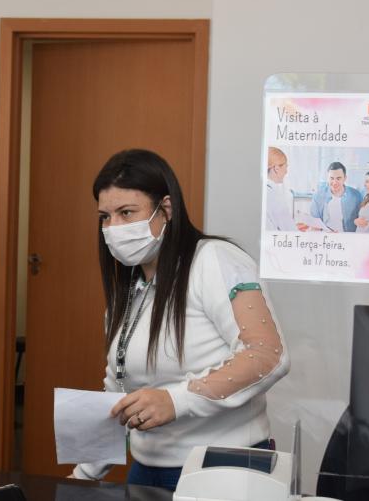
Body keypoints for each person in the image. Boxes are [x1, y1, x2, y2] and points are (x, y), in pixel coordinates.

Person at [71, 149, 290, 491]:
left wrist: (176, 400)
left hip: (221, 466)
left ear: (166, 209)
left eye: (127, 213)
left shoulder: (215, 260)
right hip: (148, 469)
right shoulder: (129, 291)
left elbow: (267, 355)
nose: (114, 228)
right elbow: (118, 390)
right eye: (105, 217)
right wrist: (82, 475)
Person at [303, 161, 362, 232]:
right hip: (326, 236)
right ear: (327, 178)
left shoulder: (356, 196)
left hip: (348, 236)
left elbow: (362, 219)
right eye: (331, 178)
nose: (334, 182)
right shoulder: (318, 196)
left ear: (345, 178)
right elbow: (314, 224)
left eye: (338, 178)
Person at [265, 147, 296, 231]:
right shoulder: (274, 196)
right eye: (286, 167)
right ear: (277, 168)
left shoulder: (263, 191)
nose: (286, 171)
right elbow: (290, 231)